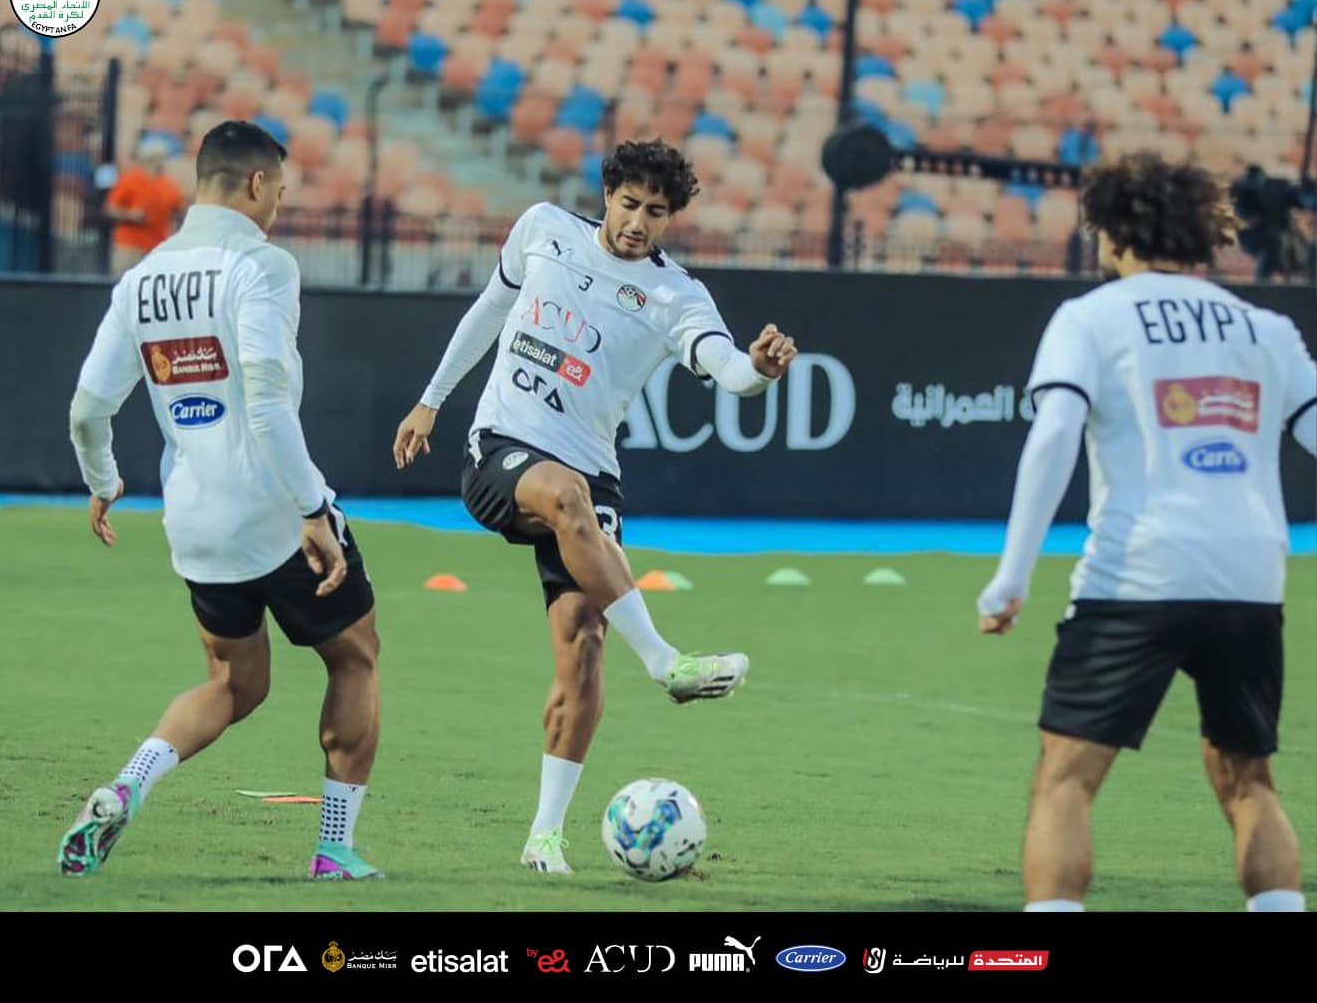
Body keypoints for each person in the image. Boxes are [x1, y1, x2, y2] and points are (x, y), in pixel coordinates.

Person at [393, 139, 797, 874]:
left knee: (582, 646)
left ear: (671, 218)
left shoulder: (678, 297)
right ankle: (667, 663)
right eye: (630, 204)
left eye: (657, 212)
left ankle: (544, 836)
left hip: (591, 475)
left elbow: (730, 370)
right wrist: (430, 401)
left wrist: (761, 371)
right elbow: (489, 310)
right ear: (607, 195)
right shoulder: (544, 228)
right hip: (502, 448)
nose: (639, 222)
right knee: (563, 493)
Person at [977, 151, 1316, 912]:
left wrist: (1011, 577)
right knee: (1250, 781)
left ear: (1113, 230)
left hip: (1136, 575)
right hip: (1252, 581)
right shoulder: (1267, 328)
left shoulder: (1089, 318)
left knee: (1065, 780)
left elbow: (1054, 435)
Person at [60, 121, 383, 881]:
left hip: (196, 521)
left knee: (234, 684)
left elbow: (87, 409)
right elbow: (267, 404)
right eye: (280, 191)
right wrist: (312, 509)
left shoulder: (141, 279)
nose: (279, 205)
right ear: (257, 184)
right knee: (355, 657)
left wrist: (103, 480)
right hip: (274, 509)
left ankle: (126, 786)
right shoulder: (262, 266)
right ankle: (334, 849)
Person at [105, 138, 185, 276]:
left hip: (157, 247)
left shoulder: (169, 184)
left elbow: (179, 211)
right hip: (130, 247)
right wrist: (130, 214)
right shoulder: (129, 180)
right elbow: (110, 209)